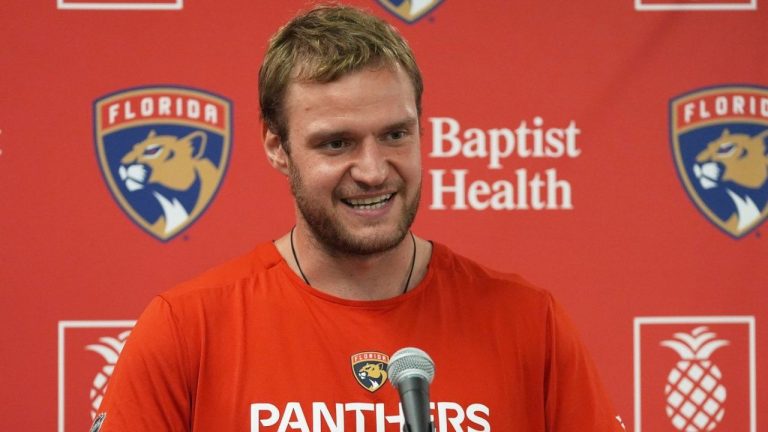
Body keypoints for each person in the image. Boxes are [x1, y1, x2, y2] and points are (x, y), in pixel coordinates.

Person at [93, 5, 626, 432]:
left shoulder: (531, 323)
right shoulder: (186, 330)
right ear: (276, 146)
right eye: (337, 142)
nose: (373, 171)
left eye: (395, 134)